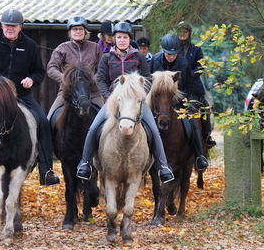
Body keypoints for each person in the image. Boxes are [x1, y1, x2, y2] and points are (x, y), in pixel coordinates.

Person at [0, 9, 60, 186]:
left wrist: (32, 79)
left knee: (43, 121)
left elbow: (39, 71)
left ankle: (46, 170)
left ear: (20, 27)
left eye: (13, 26)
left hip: (21, 94)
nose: (10, 29)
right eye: (7, 25)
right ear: (1, 26)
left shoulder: (29, 46)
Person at [76, 22, 175, 184]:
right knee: (94, 128)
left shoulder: (138, 57)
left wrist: (142, 94)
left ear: (130, 39)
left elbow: (147, 79)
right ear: (114, 39)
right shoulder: (107, 57)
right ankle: (85, 163)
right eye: (119, 37)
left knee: (154, 131)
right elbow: (100, 79)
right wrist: (108, 96)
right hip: (114, 103)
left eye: (125, 37)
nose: (122, 40)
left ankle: (163, 166)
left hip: (135, 103)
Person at [151, 33, 209, 171]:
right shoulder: (155, 60)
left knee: (192, 122)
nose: (171, 57)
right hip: (159, 101)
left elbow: (189, 87)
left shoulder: (183, 63)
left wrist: (177, 100)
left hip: (179, 99)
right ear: (163, 50)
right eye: (168, 53)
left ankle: (200, 155)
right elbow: (149, 82)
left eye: (174, 54)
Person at [46, 15, 104, 118]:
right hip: (67, 92)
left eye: (80, 29)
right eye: (75, 29)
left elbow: (102, 68)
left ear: (85, 31)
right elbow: (51, 68)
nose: (78, 31)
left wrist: (92, 79)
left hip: (92, 93)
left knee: (106, 118)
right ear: (70, 32)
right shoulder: (62, 48)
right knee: (48, 120)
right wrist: (66, 79)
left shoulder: (95, 48)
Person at [178, 21, 216, 148]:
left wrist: (187, 76)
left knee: (204, 106)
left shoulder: (196, 49)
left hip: (194, 87)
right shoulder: (173, 50)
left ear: (189, 33)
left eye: (185, 31)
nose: (182, 34)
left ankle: (207, 135)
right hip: (177, 87)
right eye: (180, 31)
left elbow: (200, 68)